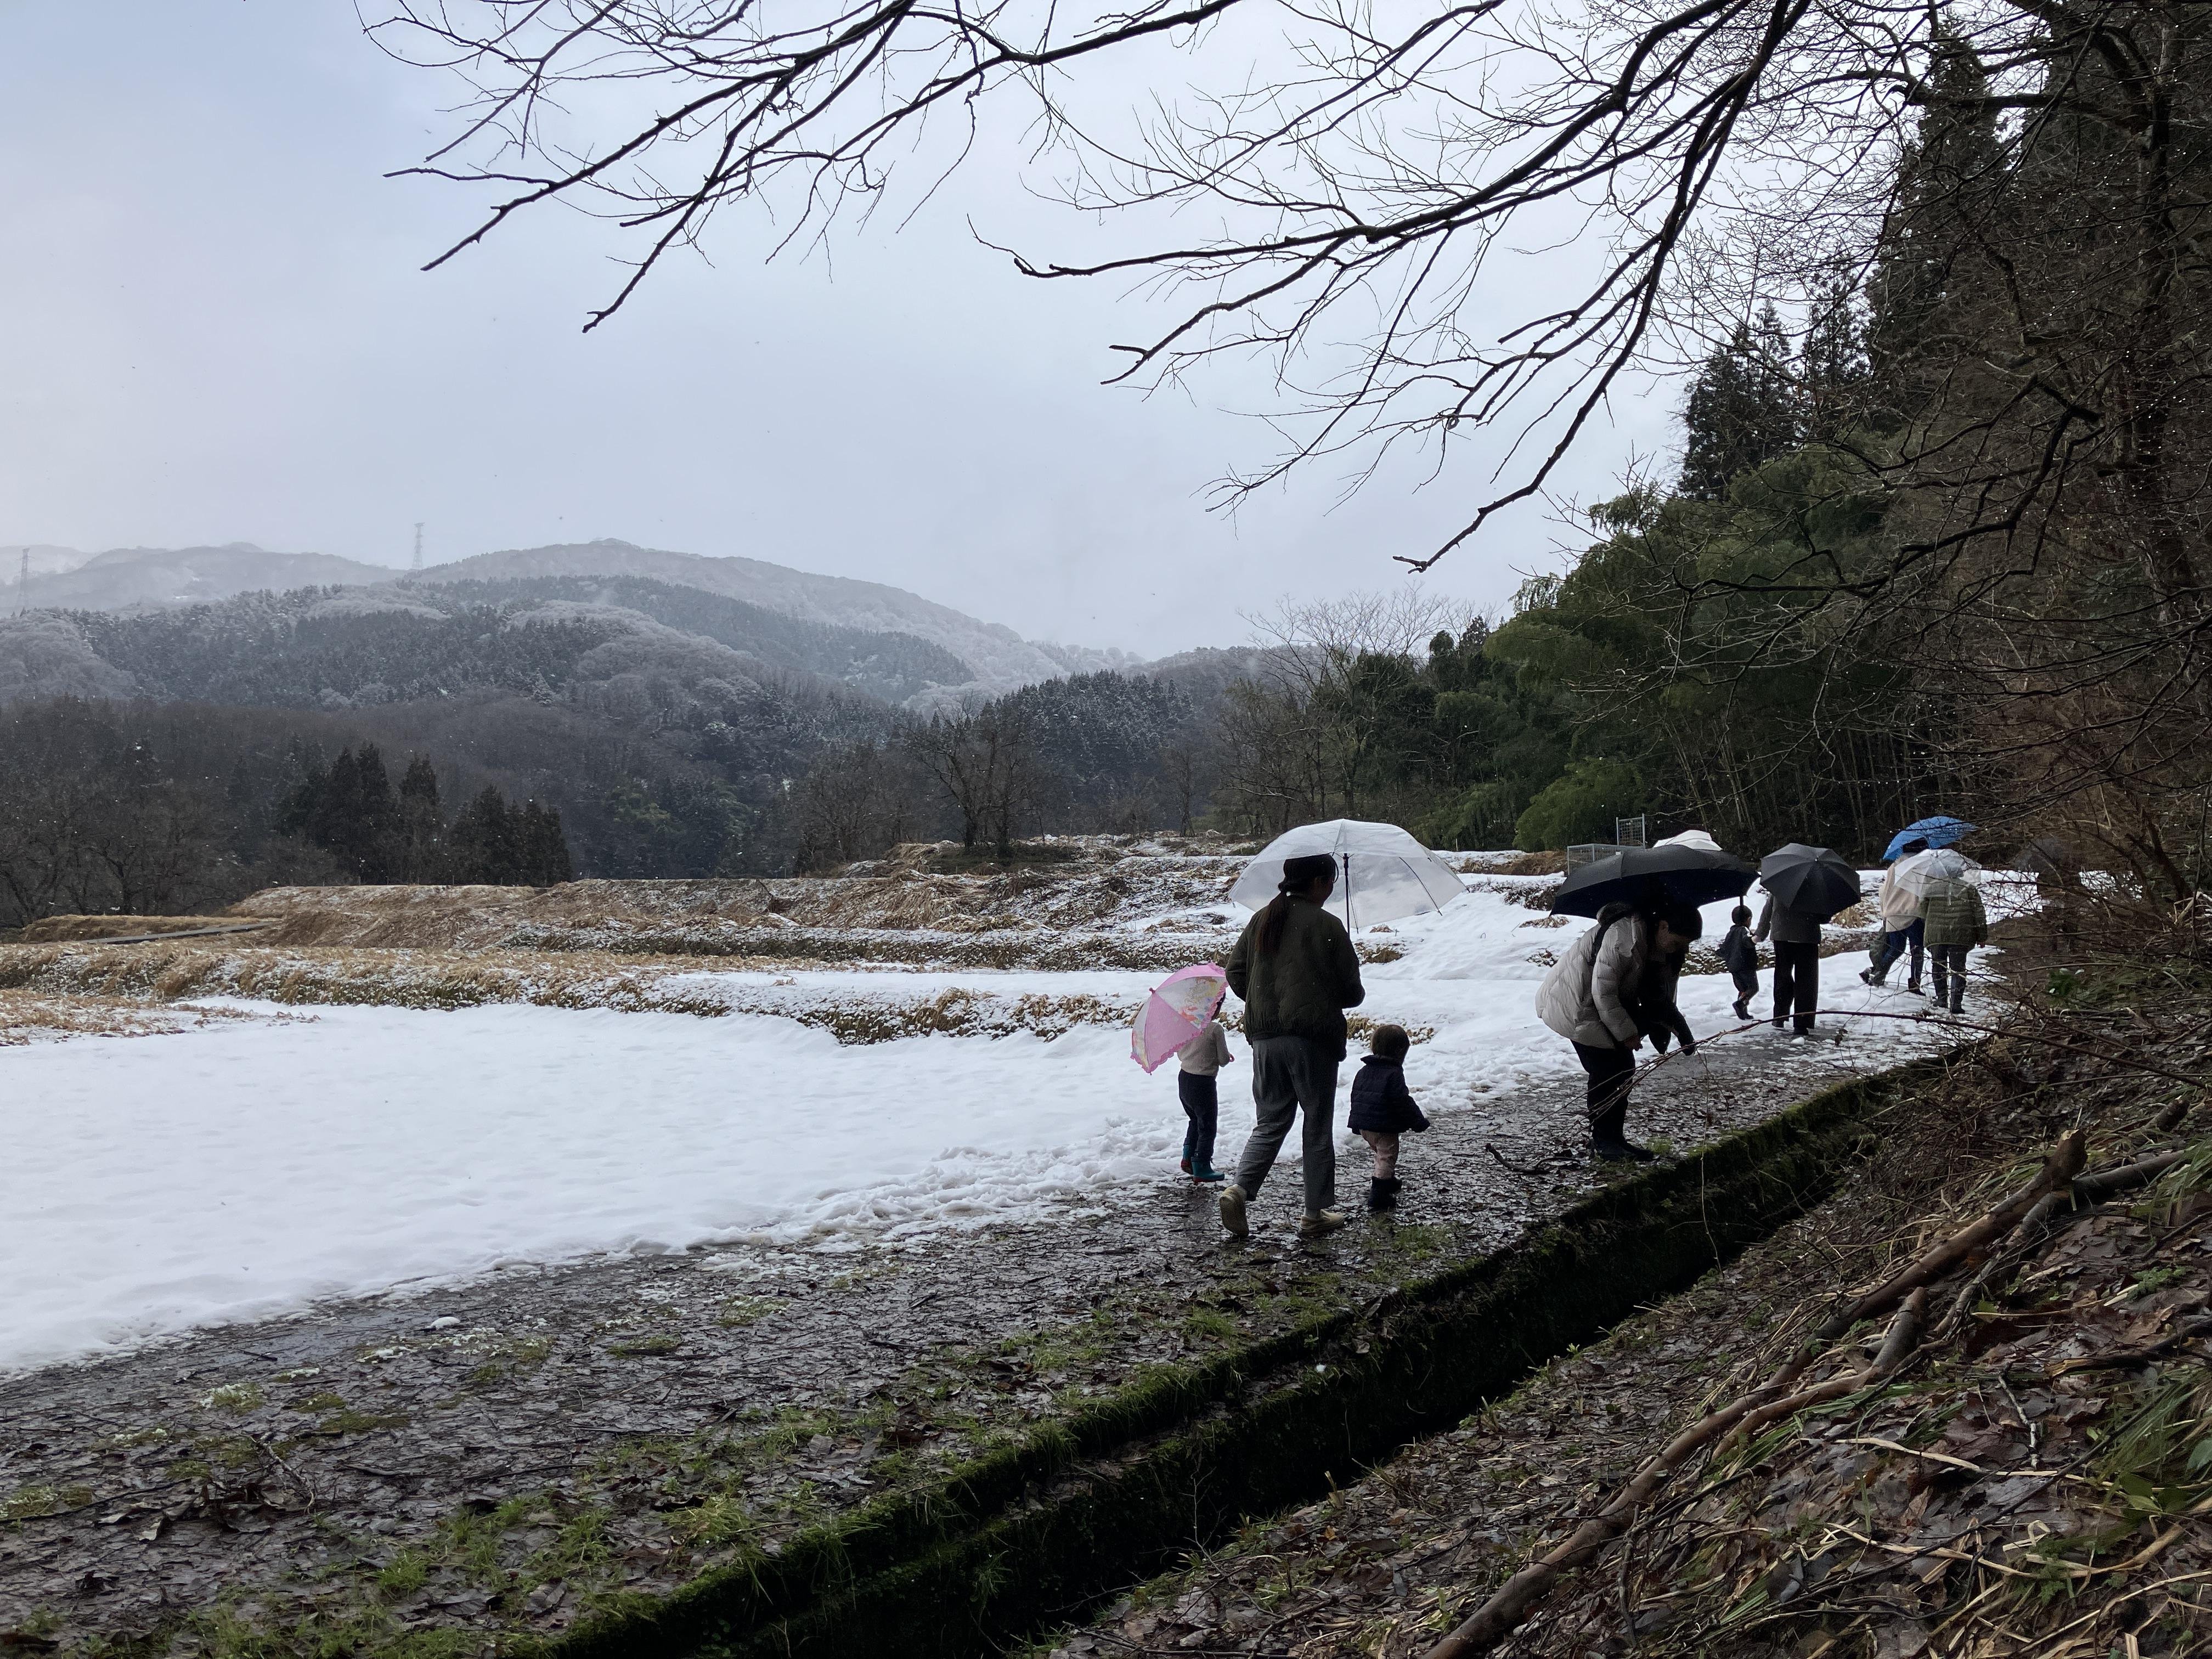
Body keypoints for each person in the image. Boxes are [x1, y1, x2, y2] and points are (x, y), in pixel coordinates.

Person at [1219, 853, 1366, 1239]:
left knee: (1271, 1121)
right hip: (1311, 1040)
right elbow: (1352, 994)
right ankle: (1314, 1214)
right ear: (1317, 883)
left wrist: (1262, 1002)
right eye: (1330, 881)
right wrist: (1325, 990)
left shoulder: (1261, 919)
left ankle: (1239, 1190)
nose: (1331, 888)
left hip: (1265, 1041)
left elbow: (1235, 972)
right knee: (1316, 1124)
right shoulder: (1328, 924)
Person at [1535, 896, 1701, 1160]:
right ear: (1663, 927)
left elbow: (1655, 996)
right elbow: (1603, 992)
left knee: (1622, 1071)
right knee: (1609, 1071)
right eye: (1679, 942)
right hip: (1575, 1005)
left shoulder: (1653, 946)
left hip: (1598, 1007)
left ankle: (1614, 1139)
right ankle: (1604, 1141)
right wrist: (1628, 1034)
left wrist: (1680, 1029)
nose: (1682, 949)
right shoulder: (1624, 939)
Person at [1345, 1023, 1429, 1211]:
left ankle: (1387, 1180)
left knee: (1381, 1154)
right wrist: (1418, 1121)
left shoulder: (1363, 1071)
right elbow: (1402, 1101)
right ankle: (1379, 1194)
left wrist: (1357, 1122)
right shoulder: (1394, 1073)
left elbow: (1357, 1096)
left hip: (1365, 1126)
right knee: (1387, 1155)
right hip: (1383, 1126)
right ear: (1400, 1052)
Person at [1861, 838, 1927, 995]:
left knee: (1896, 949)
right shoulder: (1921, 866)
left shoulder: (1894, 866)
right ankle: (1915, 984)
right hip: (1913, 914)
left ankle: (1877, 976)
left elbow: (1884, 891)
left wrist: (1886, 911)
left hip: (1893, 915)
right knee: (1917, 951)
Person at [1756, 885, 1824, 1035]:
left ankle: (1779, 1016)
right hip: (1807, 936)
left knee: (1783, 975)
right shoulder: (1815, 887)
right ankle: (1802, 1023)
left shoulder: (1782, 882)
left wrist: (1760, 933)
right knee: (1806, 981)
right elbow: (1824, 918)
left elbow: (1768, 910)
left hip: (1782, 934)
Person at [1176, 1004, 1233, 1183]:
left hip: (1184, 1079)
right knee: (1207, 1125)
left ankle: (1188, 1156)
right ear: (1215, 1008)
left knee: (1195, 1119)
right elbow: (1223, 1060)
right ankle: (1202, 1166)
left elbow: (1181, 1053)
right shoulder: (1215, 1029)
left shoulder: (1185, 1027)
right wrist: (1224, 1054)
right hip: (1203, 1083)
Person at [1921, 866, 1989, 1016]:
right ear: (1960, 873)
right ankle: (1956, 1003)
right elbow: (1979, 912)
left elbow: (1922, 911)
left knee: (1938, 967)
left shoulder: (1931, 888)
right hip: (1960, 934)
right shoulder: (1969, 888)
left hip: (1937, 934)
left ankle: (1942, 999)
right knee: (1958, 969)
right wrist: (1982, 936)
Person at [1718, 904, 1760, 1019]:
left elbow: (1725, 948)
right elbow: (1747, 942)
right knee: (1753, 988)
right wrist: (1754, 939)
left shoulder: (1731, 932)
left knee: (1743, 989)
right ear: (1749, 920)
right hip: (1745, 965)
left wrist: (1721, 952)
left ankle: (1743, 1014)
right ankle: (1740, 1004)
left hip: (1734, 967)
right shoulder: (1744, 931)